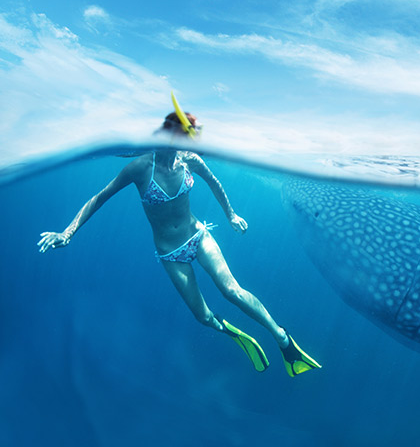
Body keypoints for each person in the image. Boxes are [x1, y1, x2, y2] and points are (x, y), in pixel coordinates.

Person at [37, 99, 321, 377]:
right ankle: (232, 332)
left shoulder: (190, 161)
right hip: (170, 253)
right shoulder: (139, 168)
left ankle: (284, 341)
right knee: (203, 317)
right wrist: (68, 232)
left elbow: (215, 183)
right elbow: (100, 197)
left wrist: (231, 215)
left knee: (231, 290)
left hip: (198, 235)